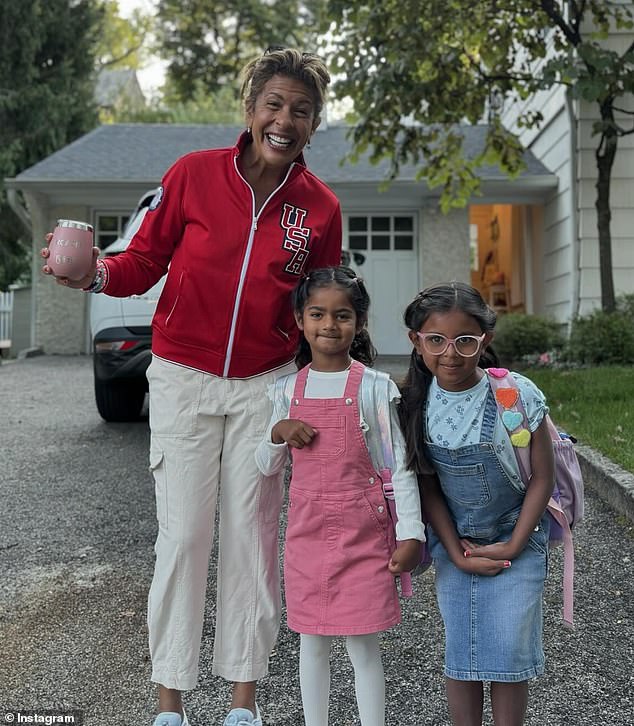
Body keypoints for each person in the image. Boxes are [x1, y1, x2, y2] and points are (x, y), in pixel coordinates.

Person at [42, 48, 342, 726]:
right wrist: (93, 275)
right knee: (182, 538)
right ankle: (170, 703)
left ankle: (243, 702)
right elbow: (141, 263)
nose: (284, 120)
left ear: (313, 124)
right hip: (181, 378)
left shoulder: (319, 208)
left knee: (251, 538)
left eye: (300, 110)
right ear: (250, 109)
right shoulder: (194, 176)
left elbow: (323, 304)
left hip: (265, 385)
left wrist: (330, 384)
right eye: (274, 105)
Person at [254, 266, 425, 726]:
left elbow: (400, 466)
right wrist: (276, 433)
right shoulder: (284, 392)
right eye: (318, 314)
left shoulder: (374, 387)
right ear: (300, 320)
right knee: (312, 641)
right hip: (307, 532)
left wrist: (411, 532)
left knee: (363, 644)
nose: (330, 325)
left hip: (364, 531)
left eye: (343, 315)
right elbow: (266, 468)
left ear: (360, 322)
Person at [398, 282, 555, 726]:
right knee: (462, 653)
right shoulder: (415, 403)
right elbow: (428, 488)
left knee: (509, 652)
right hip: (458, 544)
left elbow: (543, 477)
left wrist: (512, 545)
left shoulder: (513, 394)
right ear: (416, 340)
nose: (450, 353)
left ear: (483, 339)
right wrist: (453, 552)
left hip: (517, 538)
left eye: (464, 340)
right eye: (436, 340)